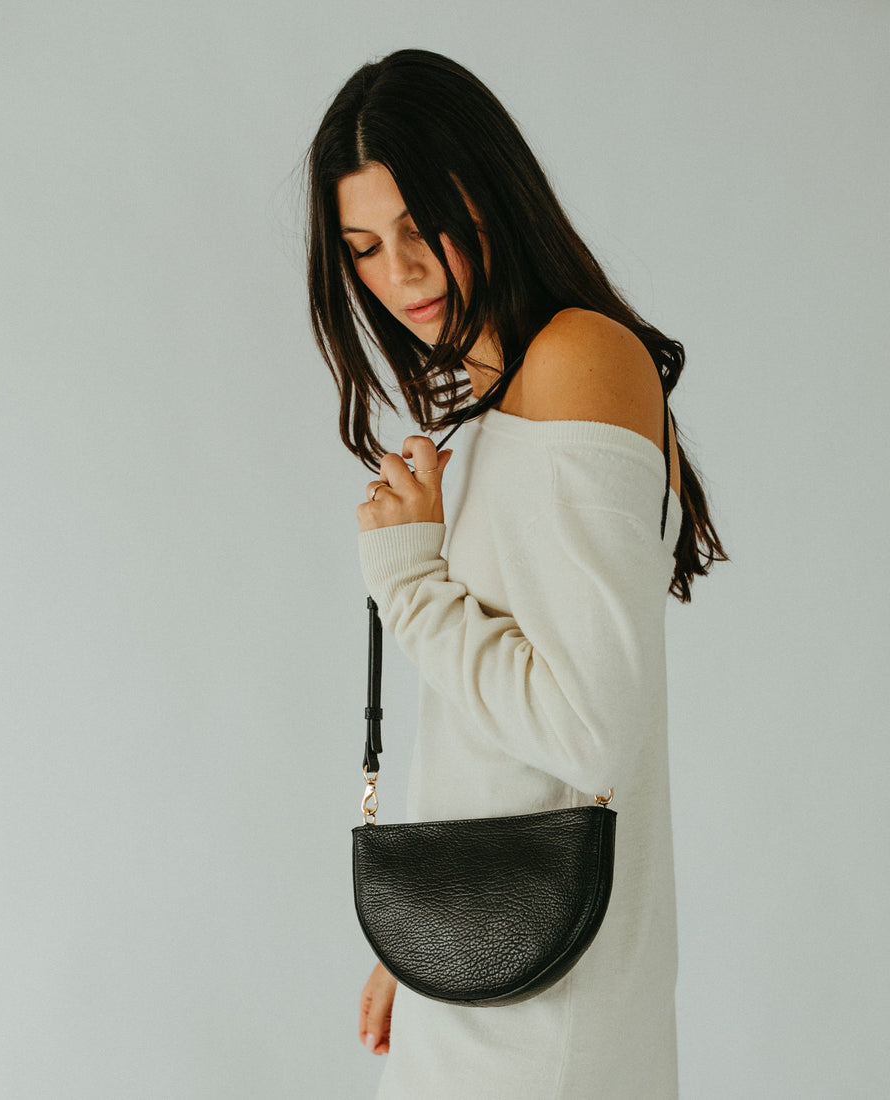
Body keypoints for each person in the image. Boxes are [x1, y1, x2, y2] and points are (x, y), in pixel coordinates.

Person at [306, 49, 725, 1099]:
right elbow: (501, 736)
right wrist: (438, 932)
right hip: (504, 974)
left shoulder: (578, 359)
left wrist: (409, 582)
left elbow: (588, 731)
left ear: (489, 194)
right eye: (364, 248)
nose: (400, 273)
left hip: (544, 1027)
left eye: (421, 226)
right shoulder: (497, 403)